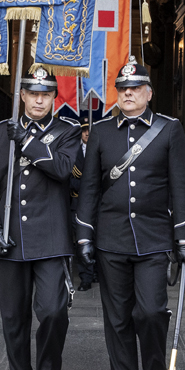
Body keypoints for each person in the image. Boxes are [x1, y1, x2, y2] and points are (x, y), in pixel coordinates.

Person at [74, 55, 185, 370]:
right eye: (122, 89)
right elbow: (90, 189)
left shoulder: (169, 129)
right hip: (111, 241)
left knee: (151, 312)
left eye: (135, 88)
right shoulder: (101, 132)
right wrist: (84, 236)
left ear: (148, 92)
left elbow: (180, 187)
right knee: (118, 320)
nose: (128, 94)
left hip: (155, 239)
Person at [0, 68, 81, 370]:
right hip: (11, 240)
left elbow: (63, 169)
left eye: (46, 94)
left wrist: (27, 140)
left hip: (51, 240)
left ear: (54, 98)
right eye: (33, 93)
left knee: (53, 311)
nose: (39, 100)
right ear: (21, 95)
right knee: (13, 319)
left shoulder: (67, 132)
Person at [69, 117, 97, 291]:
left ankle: (97, 274)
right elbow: (70, 180)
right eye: (84, 130)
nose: (87, 133)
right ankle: (85, 278)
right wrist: (89, 185)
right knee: (82, 241)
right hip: (77, 204)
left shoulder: (102, 151)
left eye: (90, 130)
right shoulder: (73, 152)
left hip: (98, 205)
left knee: (99, 241)